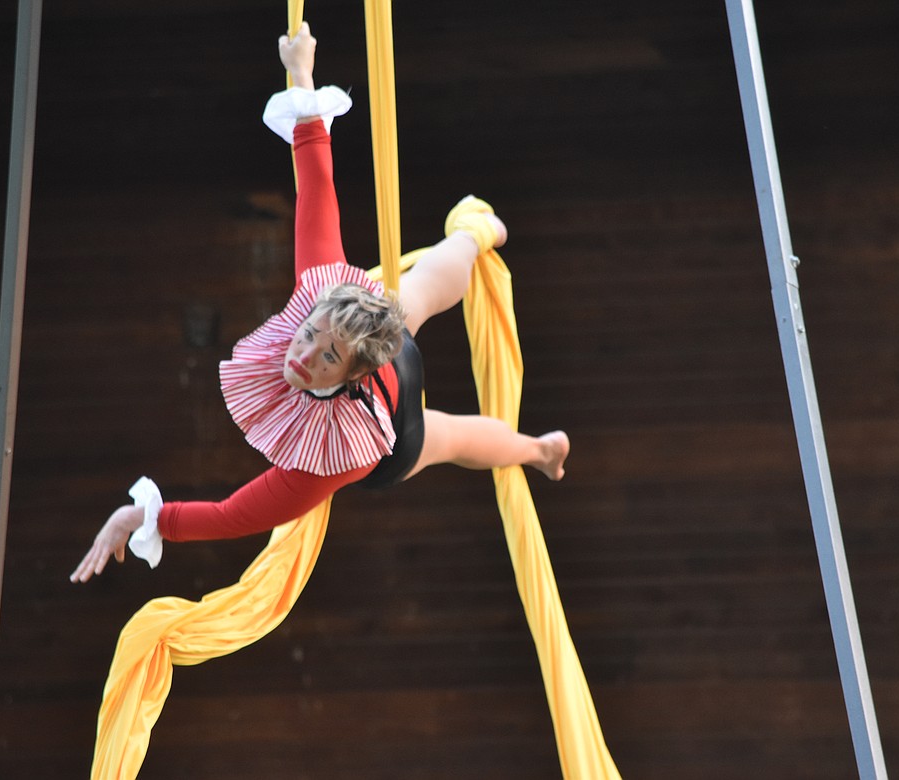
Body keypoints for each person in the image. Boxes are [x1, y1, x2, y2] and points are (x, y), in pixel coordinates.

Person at [70, 23, 569, 584]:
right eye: (309, 335)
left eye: (326, 357)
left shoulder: (340, 452)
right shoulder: (322, 288)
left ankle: (532, 445)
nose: (304, 355)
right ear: (311, 313)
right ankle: (479, 249)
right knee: (416, 290)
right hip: (378, 333)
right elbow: (316, 184)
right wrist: (301, 69)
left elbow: (234, 515)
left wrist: (144, 515)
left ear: (355, 371)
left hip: (393, 428)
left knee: (445, 435)